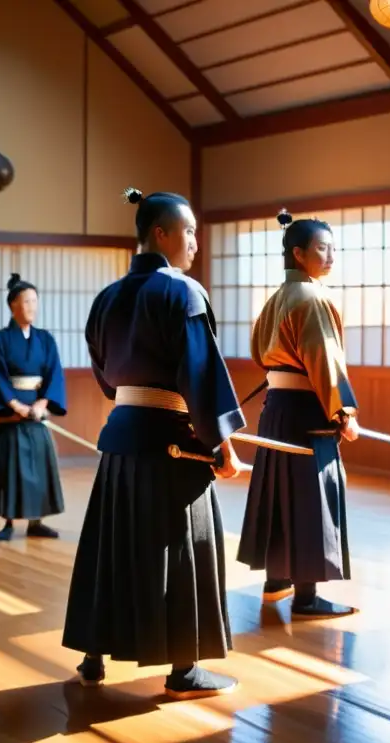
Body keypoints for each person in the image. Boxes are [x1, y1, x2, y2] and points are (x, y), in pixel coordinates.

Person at [61, 187, 249, 700]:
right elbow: (201, 374)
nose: (195, 242)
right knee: (183, 550)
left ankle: (93, 657)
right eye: (188, 231)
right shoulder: (182, 292)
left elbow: (105, 378)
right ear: (161, 234)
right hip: (174, 445)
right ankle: (184, 670)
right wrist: (223, 446)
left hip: (121, 441)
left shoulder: (107, 297)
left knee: (112, 548)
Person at [236, 210, 360, 618]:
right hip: (307, 410)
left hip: (277, 410)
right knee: (309, 496)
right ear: (298, 253)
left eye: (333, 249)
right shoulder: (311, 297)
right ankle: (307, 597)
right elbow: (325, 360)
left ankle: (276, 583)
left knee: (280, 493)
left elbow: (259, 353)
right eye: (323, 249)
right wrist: (343, 412)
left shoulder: (276, 298)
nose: (331, 256)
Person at [0, 273, 67, 542]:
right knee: (10, 470)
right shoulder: (0, 341)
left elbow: (54, 374)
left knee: (38, 468)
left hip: (36, 416)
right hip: (12, 416)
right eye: (27, 301)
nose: (32, 307)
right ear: (13, 306)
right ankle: (8, 523)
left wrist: (42, 403)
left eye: (35, 301)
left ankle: (36, 522)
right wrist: (15, 405)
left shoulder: (45, 340)